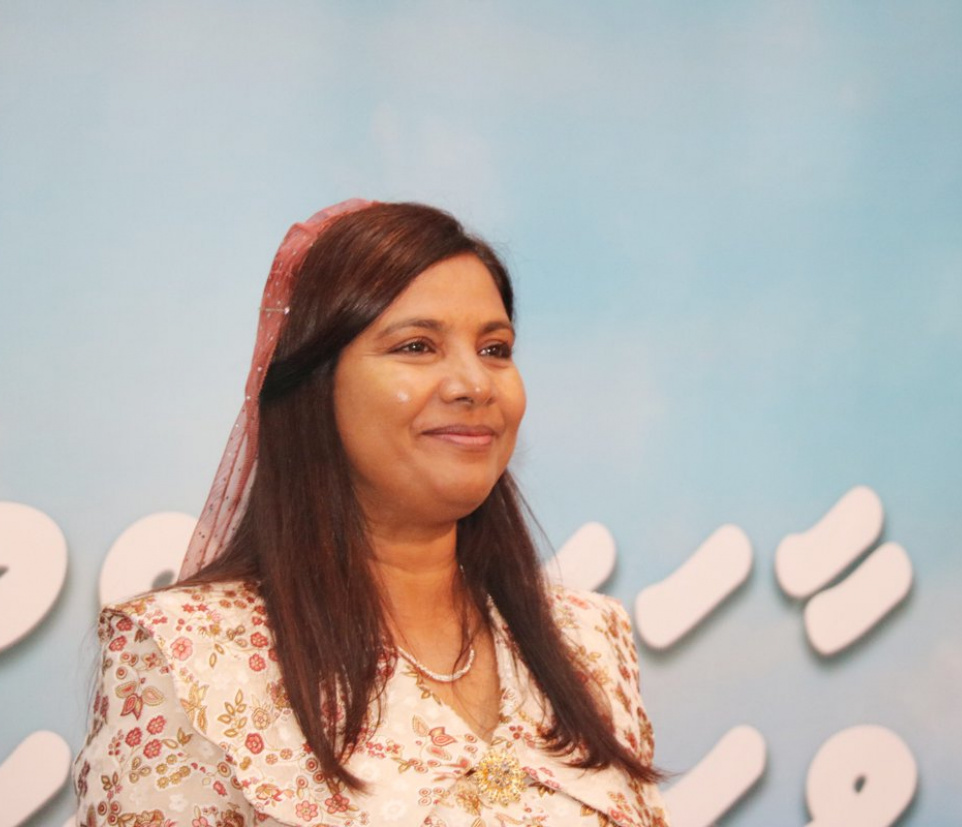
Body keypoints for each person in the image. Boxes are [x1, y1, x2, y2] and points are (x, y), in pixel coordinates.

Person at [73, 200, 670, 827]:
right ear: (315, 384)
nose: (475, 384)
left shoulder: (588, 641)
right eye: (417, 346)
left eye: (495, 349)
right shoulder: (191, 652)